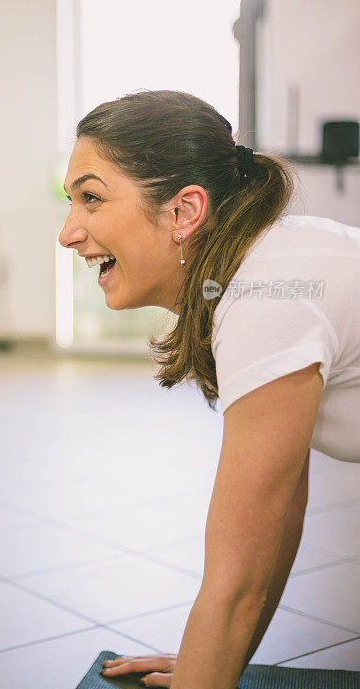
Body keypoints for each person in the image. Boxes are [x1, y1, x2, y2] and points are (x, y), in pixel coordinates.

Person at [58, 90, 360, 689]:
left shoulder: (266, 295)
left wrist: (209, 665)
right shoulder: (257, 271)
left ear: (184, 211)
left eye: (91, 198)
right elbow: (276, 523)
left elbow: (237, 582)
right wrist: (215, 664)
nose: (69, 232)